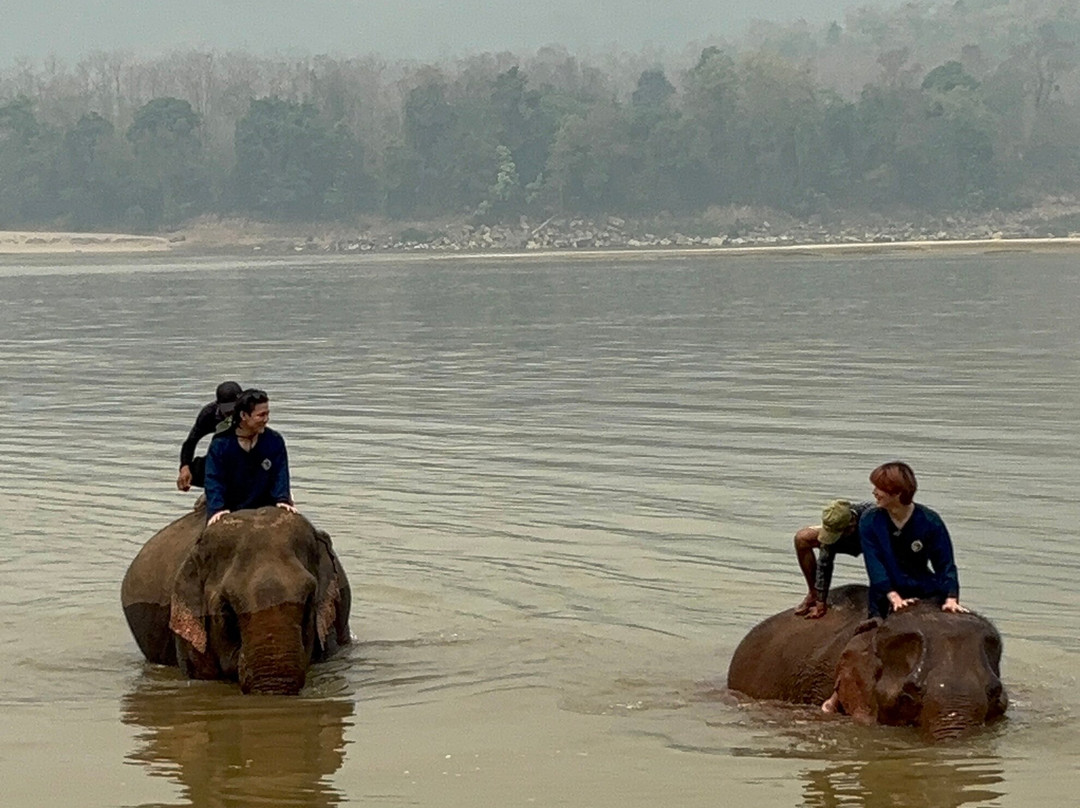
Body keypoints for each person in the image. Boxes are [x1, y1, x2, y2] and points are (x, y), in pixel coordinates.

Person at [821, 461, 966, 713]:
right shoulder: (871, 520)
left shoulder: (930, 521)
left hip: (924, 588)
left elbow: (946, 562)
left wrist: (951, 596)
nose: (874, 493)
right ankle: (837, 694)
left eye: (879, 489)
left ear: (898, 494)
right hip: (884, 592)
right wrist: (892, 596)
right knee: (867, 641)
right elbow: (874, 562)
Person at [204, 388, 297, 526]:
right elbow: (214, 478)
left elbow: (280, 474)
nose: (266, 420)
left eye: (267, 414)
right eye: (261, 415)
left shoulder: (274, 440)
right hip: (232, 507)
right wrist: (217, 508)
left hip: (266, 507)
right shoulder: (221, 445)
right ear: (243, 415)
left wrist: (282, 499)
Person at [792, 498, 875, 619]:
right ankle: (812, 593)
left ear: (851, 523)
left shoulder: (873, 515)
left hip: (874, 540)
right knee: (802, 538)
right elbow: (824, 563)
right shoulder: (834, 523)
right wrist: (820, 599)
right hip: (850, 538)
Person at [177, 381, 244, 492]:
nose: (231, 415)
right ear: (218, 405)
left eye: (235, 410)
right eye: (228, 412)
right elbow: (191, 442)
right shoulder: (208, 415)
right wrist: (184, 467)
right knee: (194, 470)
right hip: (222, 453)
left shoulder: (251, 412)